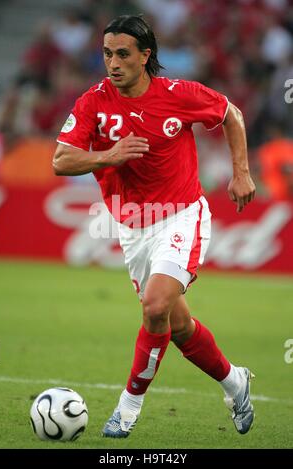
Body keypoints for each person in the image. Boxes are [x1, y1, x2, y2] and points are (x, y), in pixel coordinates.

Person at [53, 15, 256, 438]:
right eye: (107, 53)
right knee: (177, 327)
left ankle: (127, 409)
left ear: (146, 56)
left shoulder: (177, 95)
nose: (113, 63)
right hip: (133, 226)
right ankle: (236, 383)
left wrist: (241, 173)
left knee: (155, 305)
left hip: (182, 213)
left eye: (123, 54)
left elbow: (230, 114)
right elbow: (61, 160)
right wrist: (109, 156)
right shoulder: (93, 102)